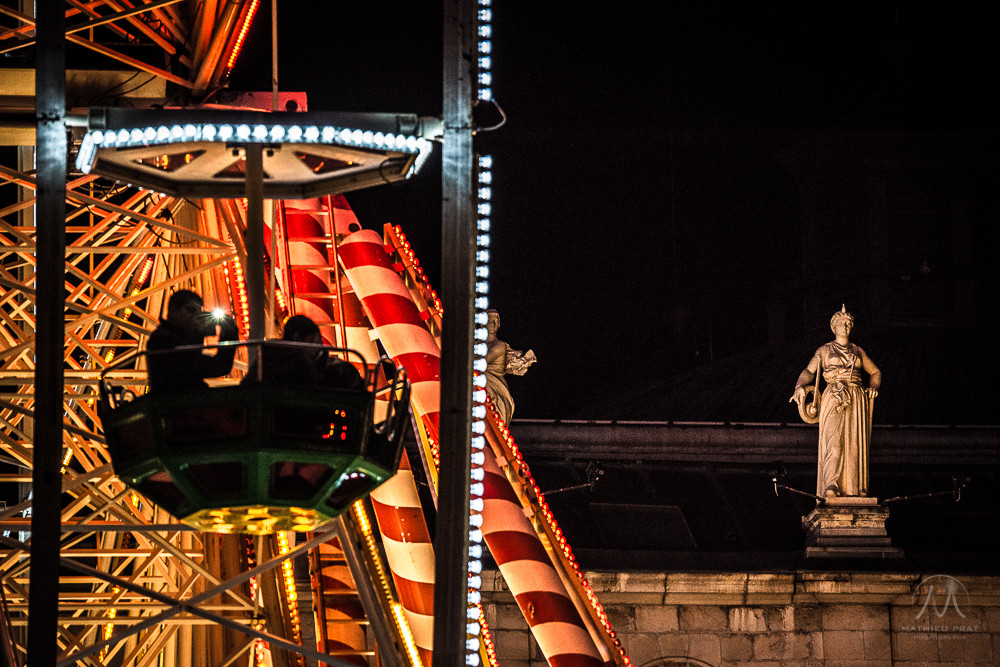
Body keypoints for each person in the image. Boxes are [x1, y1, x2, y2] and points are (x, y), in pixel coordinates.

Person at [790, 306, 882, 500]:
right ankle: (830, 485)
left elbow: (875, 372)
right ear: (834, 327)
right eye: (842, 322)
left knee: (854, 442)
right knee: (834, 442)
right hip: (833, 395)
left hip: (856, 396)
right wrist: (799, 386)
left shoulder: (857, 350)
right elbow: (809, 371)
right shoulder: (824, 350)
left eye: (849, 323)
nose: (846, 326)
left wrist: (873, 387)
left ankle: (854, 488)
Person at [146, 290, 238, 393]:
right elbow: (209, 367)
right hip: (177, 401)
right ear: (174, 310)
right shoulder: (162, 340)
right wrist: (228, 333)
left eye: (200, 312)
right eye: (191, 310)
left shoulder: (169, 336)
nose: (197, 316)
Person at [244, 314, 363, 389]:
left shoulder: (267, 357)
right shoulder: (299, 362)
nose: (318, 348)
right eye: (313, 343)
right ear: (297, 339)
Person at [484, 309, 536, 424]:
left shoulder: (499, 345)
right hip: (481, 388)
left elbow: (481, 361)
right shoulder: (477, 345)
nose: (494, 324)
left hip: (495, 391)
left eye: (496, 321)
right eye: (491, 321)